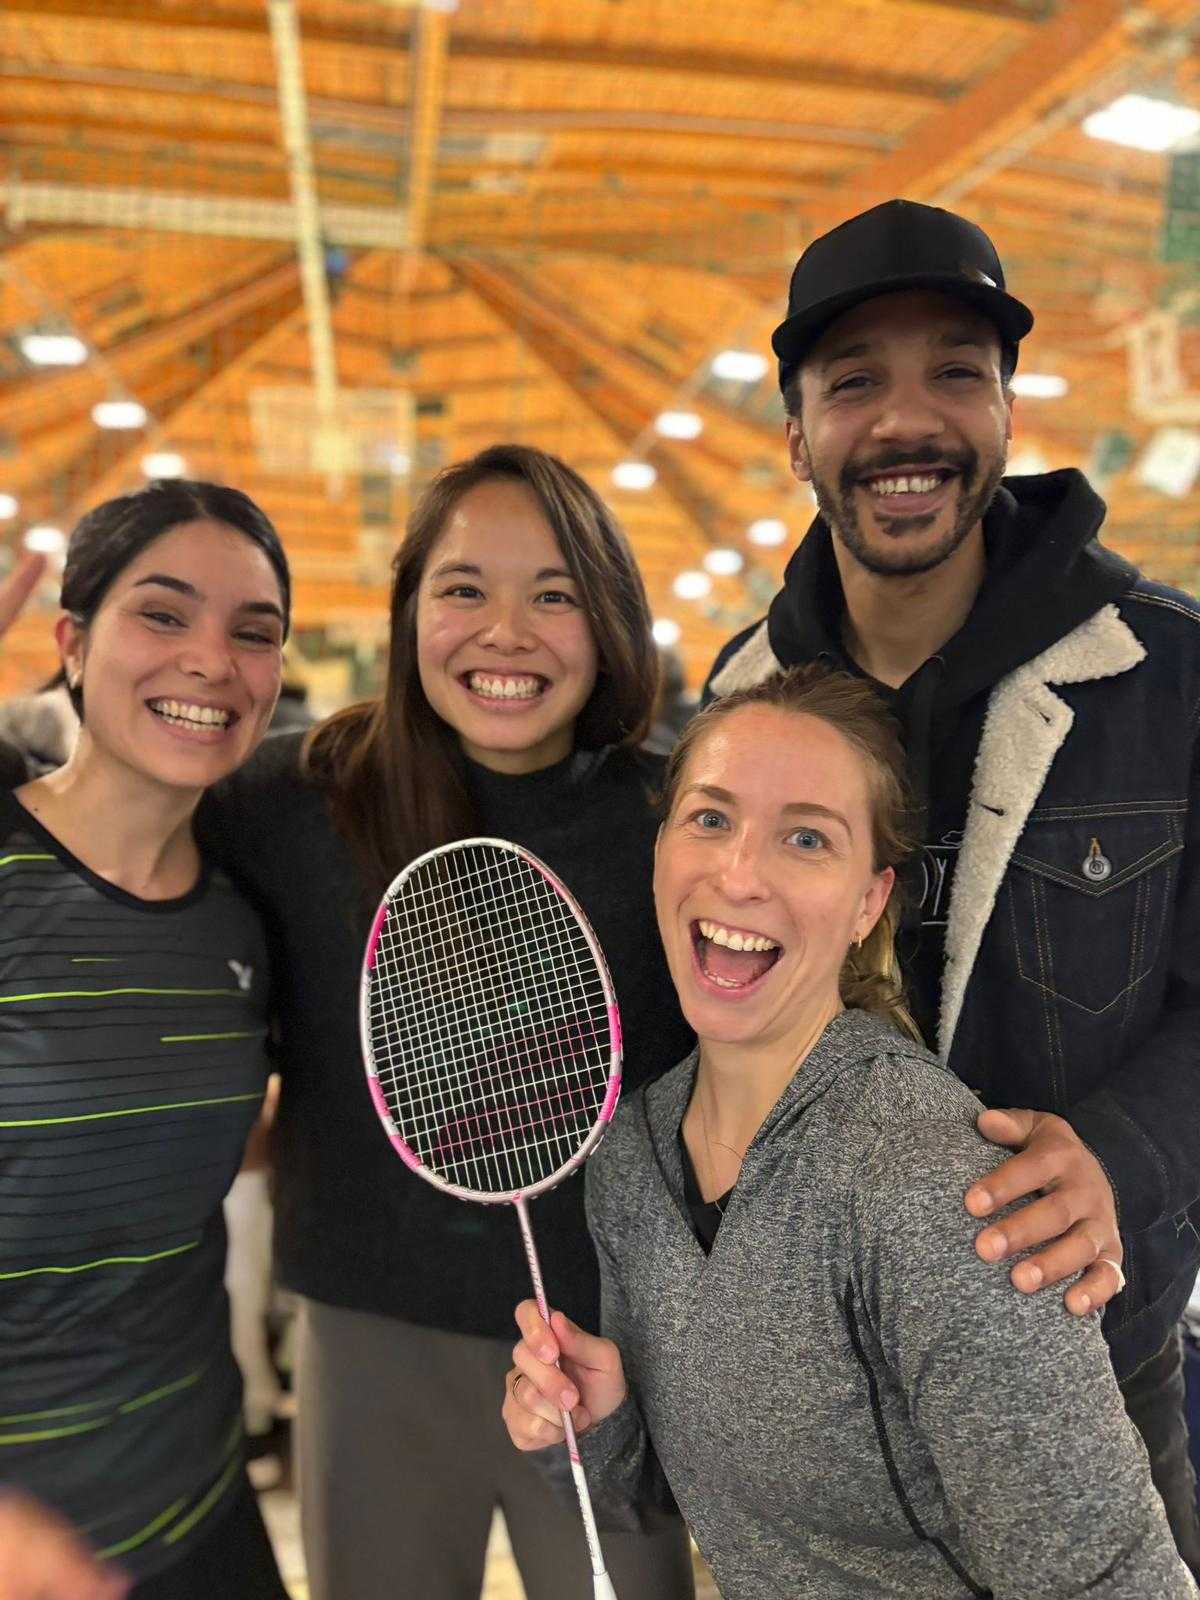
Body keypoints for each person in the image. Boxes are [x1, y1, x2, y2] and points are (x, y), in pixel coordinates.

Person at [702, 198, 1200, 1568]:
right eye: (854, 382)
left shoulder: (1163, 676)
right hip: (831, 1397)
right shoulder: (740, 700)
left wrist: (1122, 1153)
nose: (906, 422)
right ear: (796, 432)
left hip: (1094, 1362)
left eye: (955, 373)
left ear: (1007, 412)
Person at [503, 665, 1197, 1598]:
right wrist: (597, 1428)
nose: (740, 874)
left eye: (805, 838)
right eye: (710, 818)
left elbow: (1116, 1581)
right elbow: (676, 1502)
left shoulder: (933, 1187)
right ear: (661, 847)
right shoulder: (630, 1160)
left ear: (872, 899)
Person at [197, 444, 696, 1599]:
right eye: (463, 589)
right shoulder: (292, 799)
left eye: (555, 594)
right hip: (367, 1331)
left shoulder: (678, 818)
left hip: (612, 1349)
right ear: (408, 608)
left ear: (611, 617)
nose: (504, 634)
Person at [0, 481, 293, 1599]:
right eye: (162, 614)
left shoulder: (239, 921)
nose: (212, 660)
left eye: (252, 631)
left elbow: (191, 1132)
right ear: (71, 642)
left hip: (199, 1507)